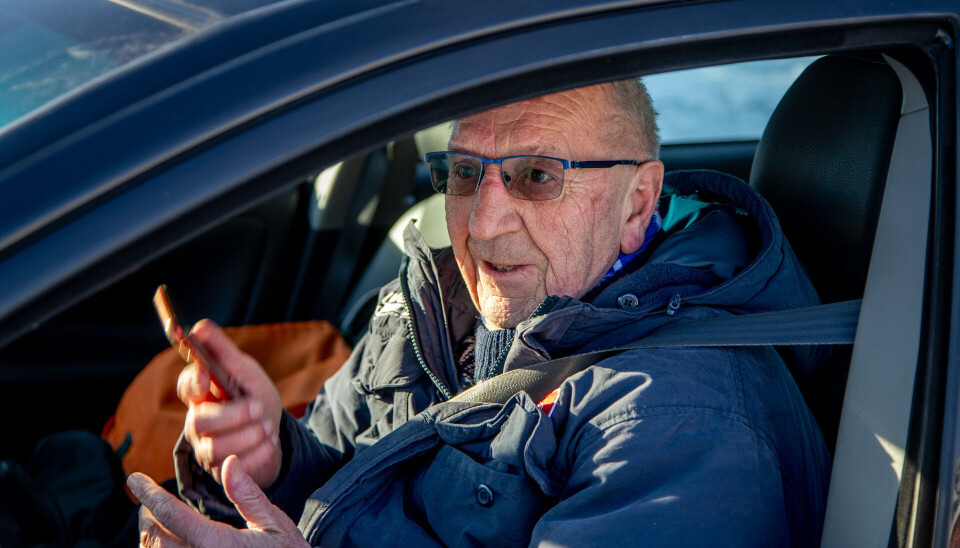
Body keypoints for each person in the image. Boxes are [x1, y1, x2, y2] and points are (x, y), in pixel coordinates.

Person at [129, 80, 831, 546]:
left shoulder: (686, 423)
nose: (482, 224)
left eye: (536, 176)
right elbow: (345, 475)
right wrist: (274, 458)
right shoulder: (426, 310)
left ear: (637, 207)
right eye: (465, 173)